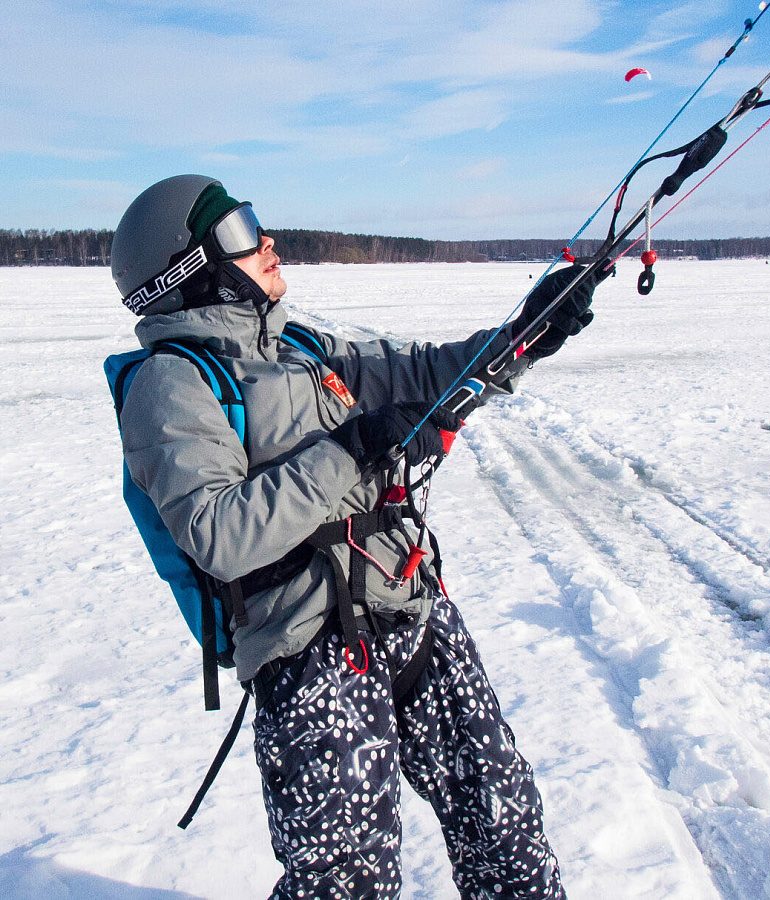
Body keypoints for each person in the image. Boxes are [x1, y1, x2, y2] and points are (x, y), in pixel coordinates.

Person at [110, 174, 597, 899]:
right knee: (347, 879)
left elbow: (421, 373)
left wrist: (520, 340)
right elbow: (219, 532)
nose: (266, 241)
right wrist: (352, 450)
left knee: (506, 825)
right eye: (240, 233)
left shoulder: (302, 344)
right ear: (189, 270)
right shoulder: (172, 384)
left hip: (412, 610)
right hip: (309, 651)